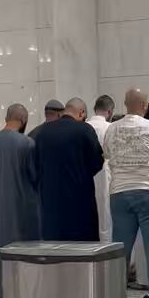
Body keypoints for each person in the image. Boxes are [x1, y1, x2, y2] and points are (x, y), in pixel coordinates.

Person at [104, 87, 149, 298]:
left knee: (120, 250)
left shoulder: (112, 128)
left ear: (125, 104)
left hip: (120, 193)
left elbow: (107, 153)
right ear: (145, 105)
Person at [0, 103, 39, 298]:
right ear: (24, 120)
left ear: (7, 118)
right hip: (22, 205)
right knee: (24, 249)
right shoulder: (27, 143)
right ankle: (23, 292)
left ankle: (0, 292)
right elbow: (34, 176)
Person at [34, 97, 103, 241]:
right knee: (82, 247)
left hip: (50, 204)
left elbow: (35, 166)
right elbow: (97, 162)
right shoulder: (84, 130)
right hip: (80, 203)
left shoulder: (42, 133)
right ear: (81, 113)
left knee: (53, 247)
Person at [88, 94, 115, 243]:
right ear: (110, 112)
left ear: (94, 109)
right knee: (105, 212)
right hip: (106, 174)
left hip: (87, 175)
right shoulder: (110, 128)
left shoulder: (85, 126)